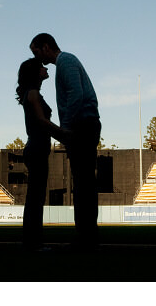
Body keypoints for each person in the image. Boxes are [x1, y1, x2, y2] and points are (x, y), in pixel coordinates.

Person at [29, 33, 101, 250]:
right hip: (84, 124)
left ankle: (86, 237)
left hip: (82, 125)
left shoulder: (66, 61)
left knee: (82, 184)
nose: (38, 59)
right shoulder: (66, 62)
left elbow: (76, 94)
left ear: (45, 46)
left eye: (36, 52)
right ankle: (88, 235)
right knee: (83, 183)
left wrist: (66, 129)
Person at [15, 57, 68, 252]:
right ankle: (33, 244)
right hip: (37, 148)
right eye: (42, 67)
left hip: (37, 148)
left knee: (35, 198)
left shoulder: (32, 93)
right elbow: (42, 122)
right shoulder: (34, 94)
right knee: (35, 199)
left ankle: (32, 242)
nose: (46, 68)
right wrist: (66, 135)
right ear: (36, 72)